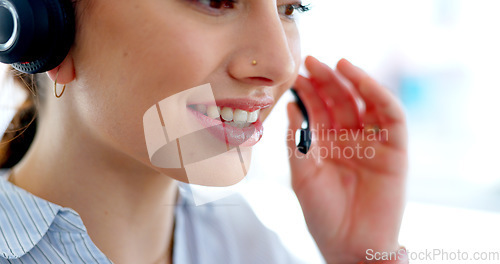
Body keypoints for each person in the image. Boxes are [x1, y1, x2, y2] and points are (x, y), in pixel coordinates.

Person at [0, 0, 409, 263]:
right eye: (215, 1)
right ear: (46, 26)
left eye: (290, 8)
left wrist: (364, 256)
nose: (282, 64)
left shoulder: (244, 244)